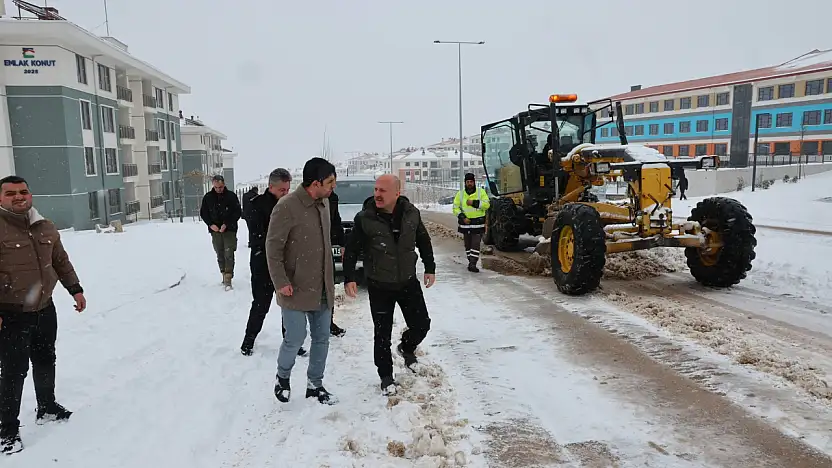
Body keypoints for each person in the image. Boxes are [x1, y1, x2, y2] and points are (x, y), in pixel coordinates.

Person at [0, 175, 87, 455]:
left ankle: (47, 407)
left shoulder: (44, 225)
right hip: (11, 313)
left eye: (23, 191)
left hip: (45, 309)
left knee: (45, 359)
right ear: (0, 198)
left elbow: (60, 261)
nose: (18, 196)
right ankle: (7, 430)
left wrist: (75, 289)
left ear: (30, 195)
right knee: (13, 372)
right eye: (10, 193)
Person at [343, 174, 435, 396]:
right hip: (379, 285)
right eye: (376, 190)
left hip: (408, 282)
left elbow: (423, 240)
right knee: (382, 334)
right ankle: (386, 376)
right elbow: (352, 249)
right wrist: (349, 277)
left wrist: (430, 267)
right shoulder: (364, 218)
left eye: (382, 190)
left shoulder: (412, 214)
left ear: (397, 193)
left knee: (422, 324)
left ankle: (407, 347)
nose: (377, 194)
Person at [266, 157, 337, 404]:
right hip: (294, 286)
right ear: (315, 183)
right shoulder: (287, 206)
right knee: (295, 338)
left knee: (322, 338)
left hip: (322, 285)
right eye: (330, 182)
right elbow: (273, 248)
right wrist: (280, 281)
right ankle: (282, 377)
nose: (333, 187)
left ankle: (315, 385)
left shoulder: (324, 203)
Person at [240, 169, 307, 357]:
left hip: (286, 261)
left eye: (287, 189)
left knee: (289, 304)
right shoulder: (257, 205)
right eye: (282, 190)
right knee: (261, 303)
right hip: (262, 260)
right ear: (271, 187)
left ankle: (291, 341)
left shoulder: (291, 205)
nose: (285, 193)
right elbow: (258, 236)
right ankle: (248, 340)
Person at [200, 174, 242, 288]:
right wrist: (210, 224)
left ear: (224, 185)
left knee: (229, 252)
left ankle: (228, 276)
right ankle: (223, 273)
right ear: (213, 185)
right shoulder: (208, 197)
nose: (219, 189)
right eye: (216, 187)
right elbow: (204, 213)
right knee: (220, 253)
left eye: (221, 187)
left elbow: (237, 212)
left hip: (230, 230)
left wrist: (227, 224)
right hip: (215, 230)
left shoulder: (231, 196)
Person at [452, 172, 490, 273]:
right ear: (465, 183)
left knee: (475, 244)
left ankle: (473, 263)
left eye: (471, 182)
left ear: (474, 182)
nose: (469, 183)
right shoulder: (460, 194)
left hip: (478, 224)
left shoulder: (481, 192)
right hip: (466, 225)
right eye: (468, 182)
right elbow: (455, 208)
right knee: (468, 245)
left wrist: (474, 203)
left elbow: (487, 204)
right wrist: (462, 217)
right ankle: (471, 261)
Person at [328, 189, 346, 338]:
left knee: (329, 288)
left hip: (327, 250)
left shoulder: (332, 198)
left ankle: (328, 323)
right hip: (308, 252)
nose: (333, 186)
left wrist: (342, 244)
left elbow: (336, 221)